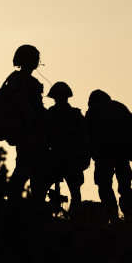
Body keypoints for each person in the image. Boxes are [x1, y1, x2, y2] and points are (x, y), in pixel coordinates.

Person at [85, 89, 132, 224]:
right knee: (125, 187)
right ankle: (128, 217)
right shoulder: (120, 108)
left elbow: (87, 136)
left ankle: (112, 216)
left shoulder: (93, 111)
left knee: (104, 185)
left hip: (103, 155)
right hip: (121, 155)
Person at [3, 45, 50, 202]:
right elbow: (22, 103)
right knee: (26, 168)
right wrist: (34, 119)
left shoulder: (25, 80)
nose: (36, 61)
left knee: (38, 171)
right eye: (33, 57)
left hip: (33, 132)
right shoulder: (20, 80)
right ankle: (14, 203)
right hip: (28, 132)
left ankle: (34, 205)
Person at [44, 82, 90, 214]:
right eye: (57, 97)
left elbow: (83, 136)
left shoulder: (75, 115)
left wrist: (75, 150)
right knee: (43, 186)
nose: (58, 99)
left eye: (61, 96)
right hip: (56, 156)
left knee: (75, 191)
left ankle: (75, 215)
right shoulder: (51, 114)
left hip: (71, 158)